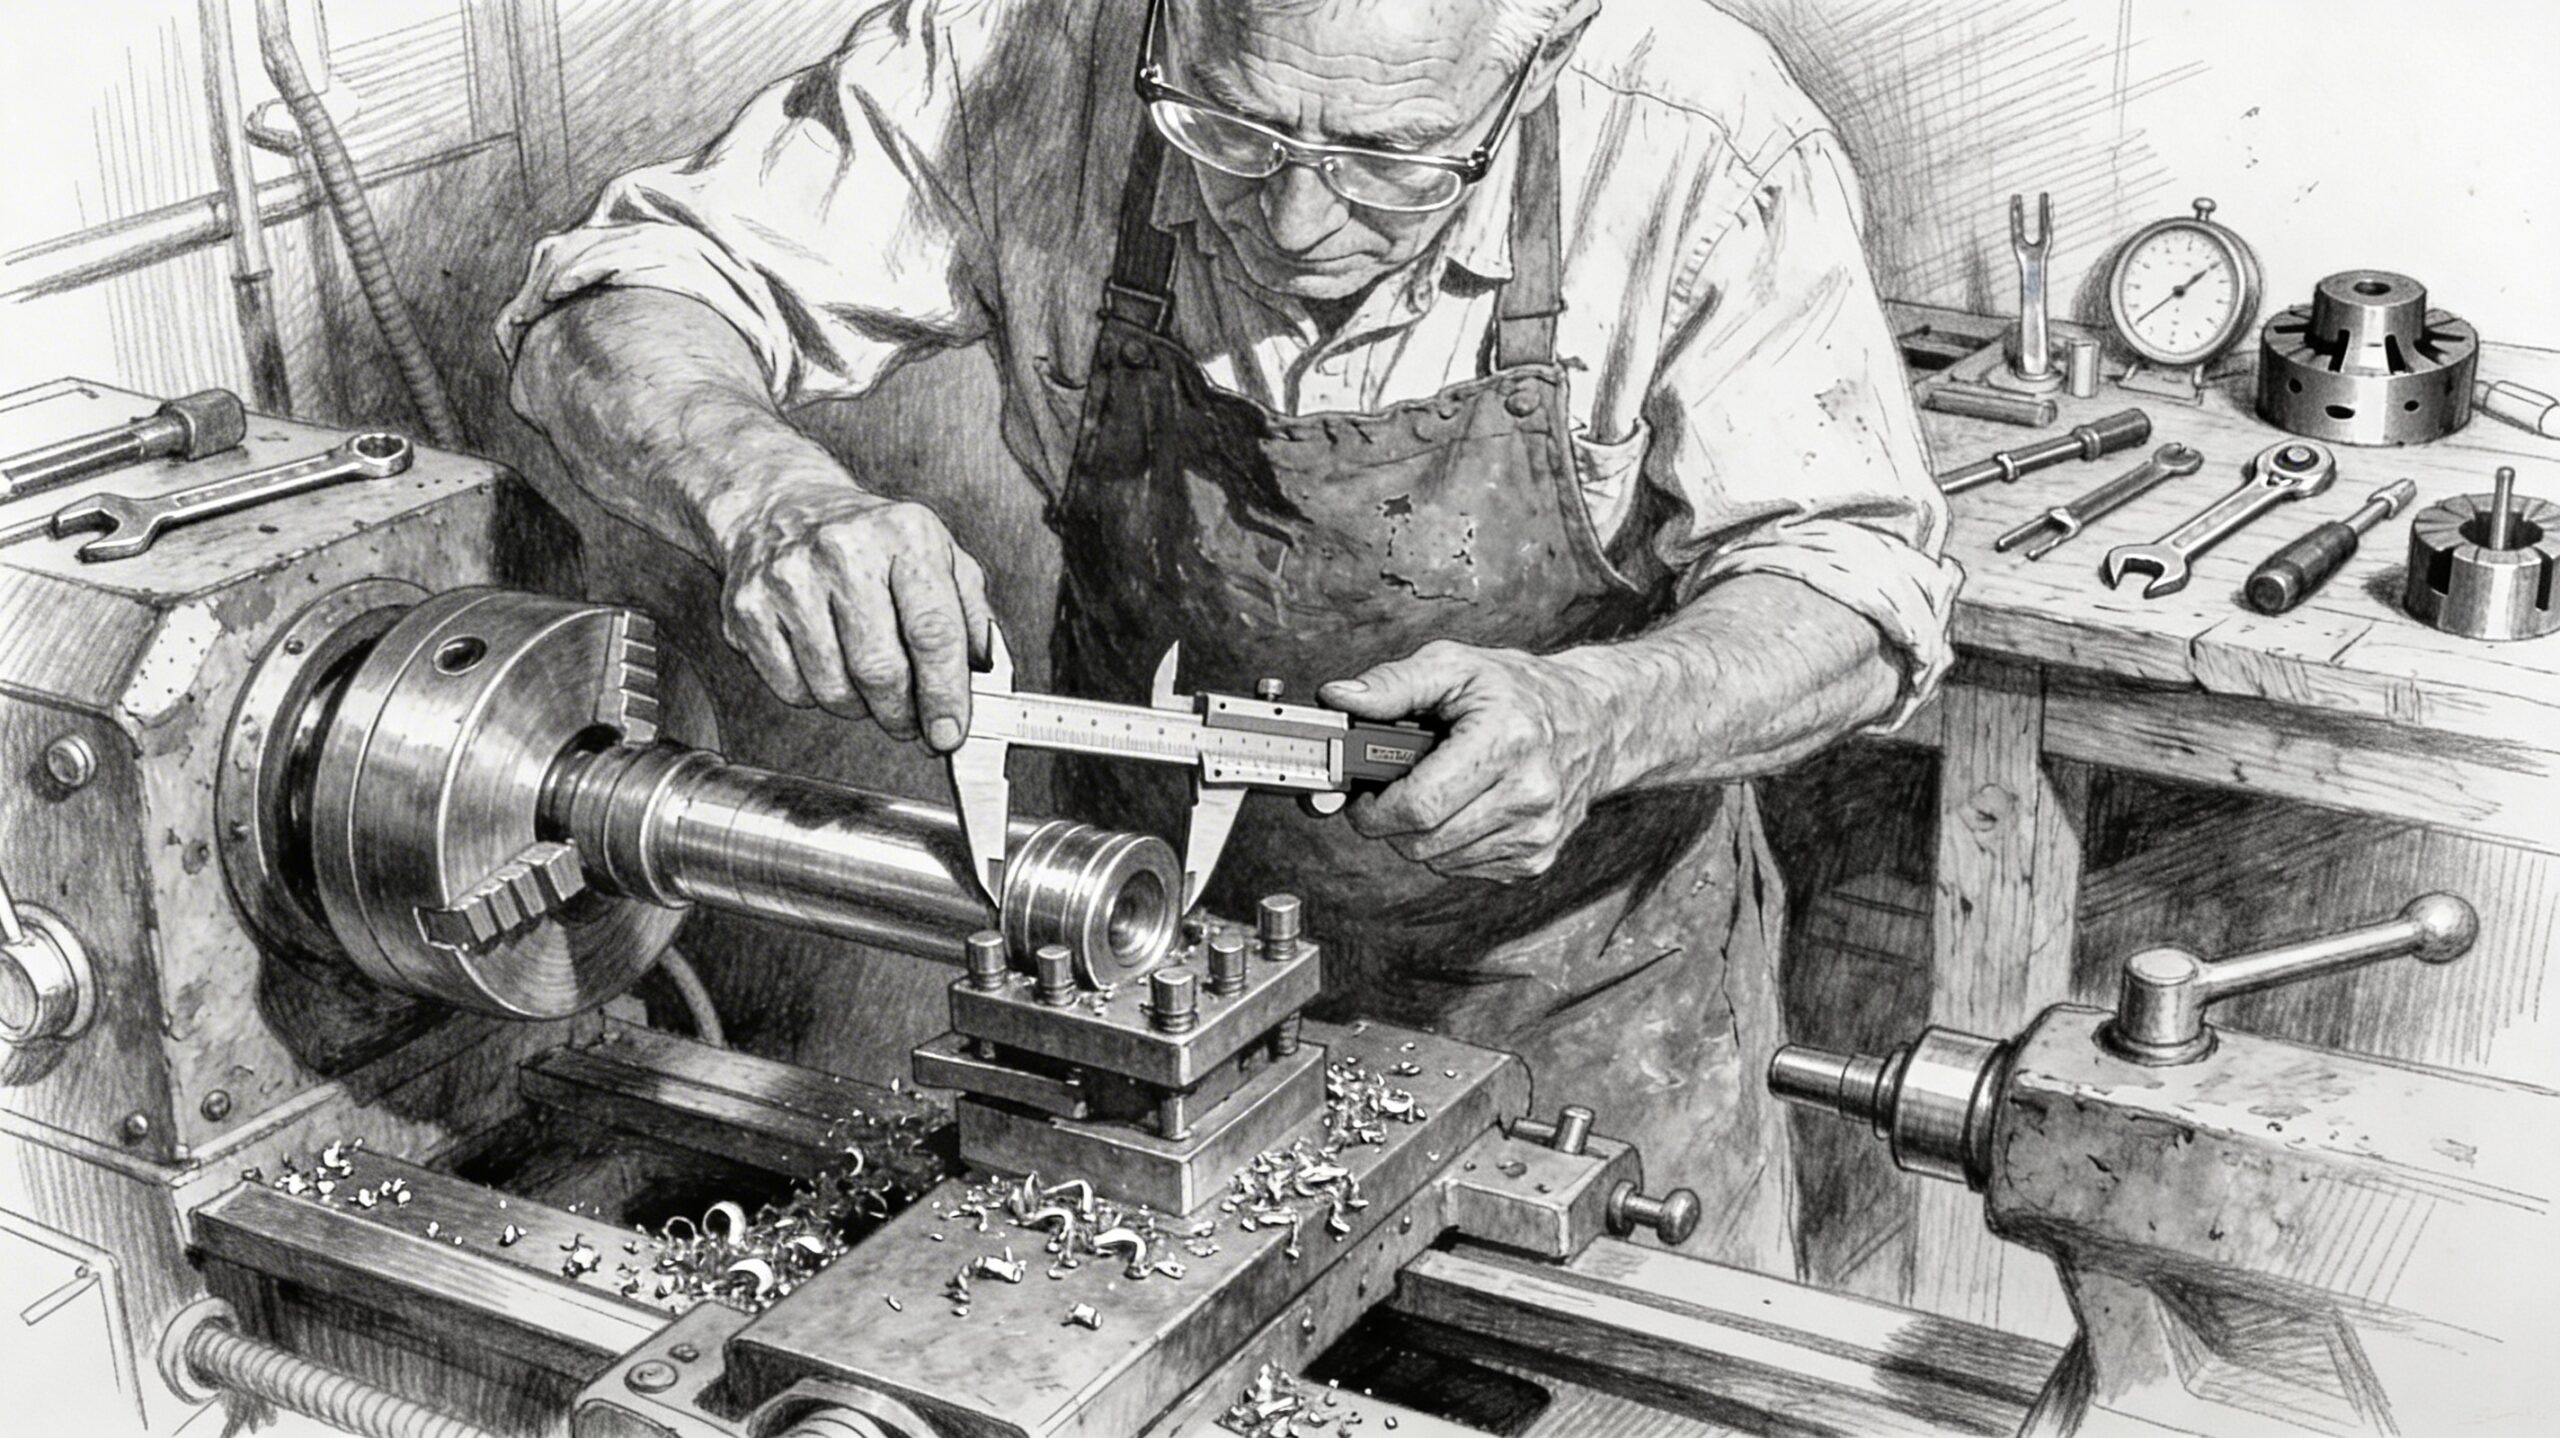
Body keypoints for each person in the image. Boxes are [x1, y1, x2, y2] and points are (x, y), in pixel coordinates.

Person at [500, 0, 1958, 1272]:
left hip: (1578, 1000)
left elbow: (1851, 585)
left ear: (1541, 54)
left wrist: (1601, 717)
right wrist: (767, 490)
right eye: (1229, 129)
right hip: (1132, 973)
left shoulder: (1697, 135)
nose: (1300, 220)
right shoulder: (1034, 46)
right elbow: (615, 295)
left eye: (1392, 159)